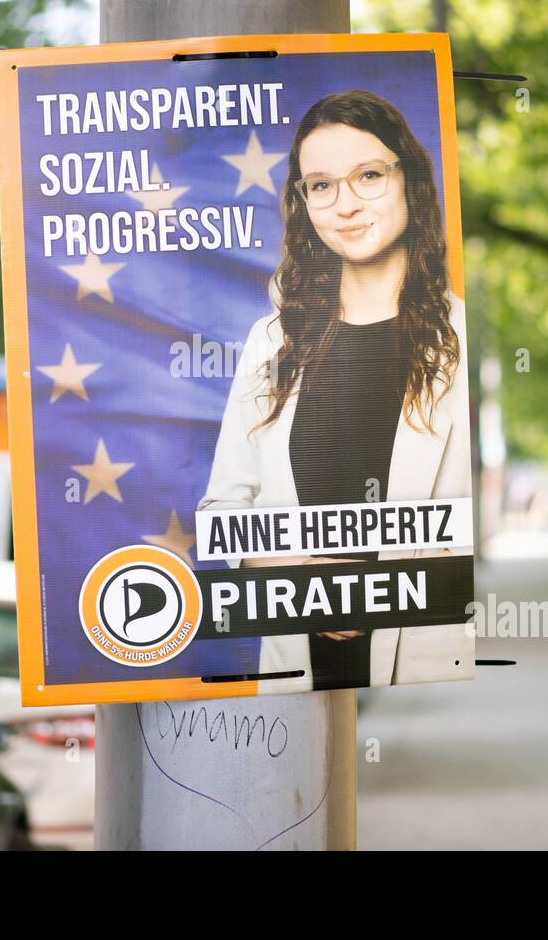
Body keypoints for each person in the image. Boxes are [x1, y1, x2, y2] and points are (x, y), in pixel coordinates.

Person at [198, 89, 473, 692]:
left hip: (424, 678)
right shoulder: (271, 341)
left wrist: (373, 596)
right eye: (320, 185)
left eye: (368, 175)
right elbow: (222, 513)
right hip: (297, 671)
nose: (345, 204)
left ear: (410, 181)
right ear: (303, 202)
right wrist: (304, 582)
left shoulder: (463, 337)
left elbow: (474, 524)